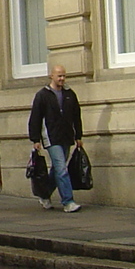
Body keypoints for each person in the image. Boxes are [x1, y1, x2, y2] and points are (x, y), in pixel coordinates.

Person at [28, 64, 85, 212]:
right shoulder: (43, 95)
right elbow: (35, 118)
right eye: (59, 75)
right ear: (51, 76)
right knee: (61, 168)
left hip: (66, 136)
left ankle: (44, 194)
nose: (62, 79)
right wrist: (35, 139)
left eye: (64, 76)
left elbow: (76, 116)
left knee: (57, 170)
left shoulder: (70, 94)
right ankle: (68, 201)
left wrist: (78, 135)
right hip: (51, 137)